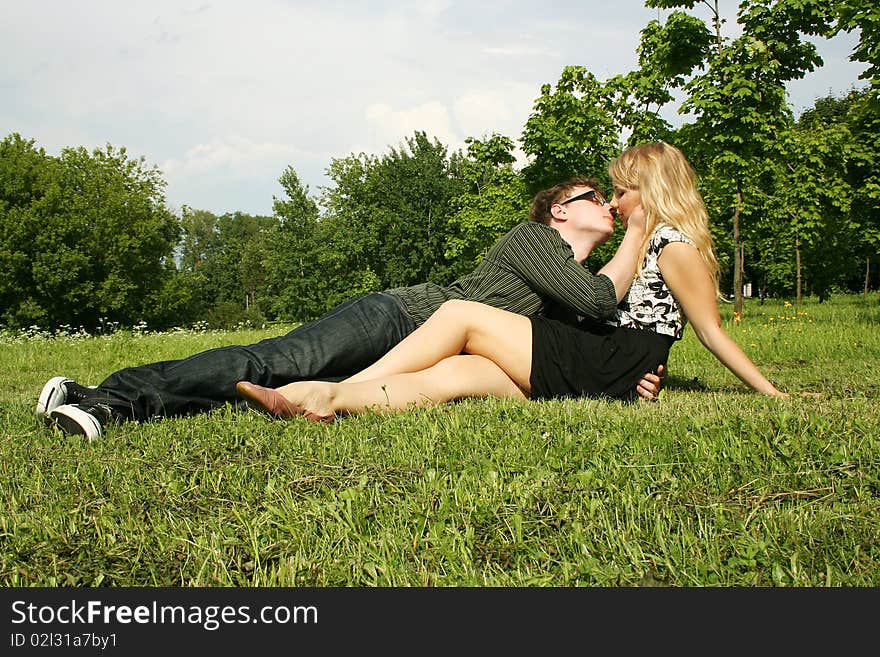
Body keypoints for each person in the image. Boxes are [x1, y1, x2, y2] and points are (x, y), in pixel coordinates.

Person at [40, 176, 663, 440]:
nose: (608, 203)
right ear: (560, 210)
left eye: (613, 200)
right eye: (595, 196)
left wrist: (637, 371)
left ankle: (105, 395)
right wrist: (638, 228)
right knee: (277, 358)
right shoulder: (536, 242)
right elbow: (599, 299)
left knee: (283, 382)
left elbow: (583, 341)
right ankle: (110, 398)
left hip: (423, 346)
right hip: (399, 318)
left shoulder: (572, 276)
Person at [235, 141, 788, 422]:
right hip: (610, 365)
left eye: (620, 191)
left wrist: (773, 393)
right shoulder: (612, 245)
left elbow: (711, 332)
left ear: (652, 189)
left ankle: (332, 387)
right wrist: (640, 375)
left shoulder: (674, 246)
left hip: (609, 361)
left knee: (460, 315)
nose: (615, 204)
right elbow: (610, 309)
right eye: (607, 195)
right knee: (452, 375)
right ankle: (335, 404)